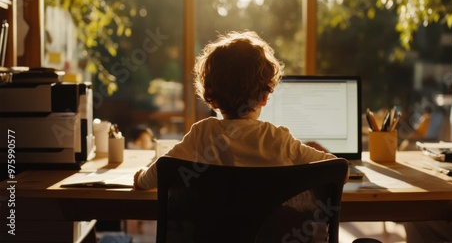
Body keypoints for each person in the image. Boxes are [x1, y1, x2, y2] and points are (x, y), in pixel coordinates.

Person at [134, 31, 342, 190]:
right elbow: (339, 171)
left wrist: (140, 176)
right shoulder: (278, 140)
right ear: (264, 97)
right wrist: (319, 154)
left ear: (210, 95)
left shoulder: (202, 135)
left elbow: (156, 175)